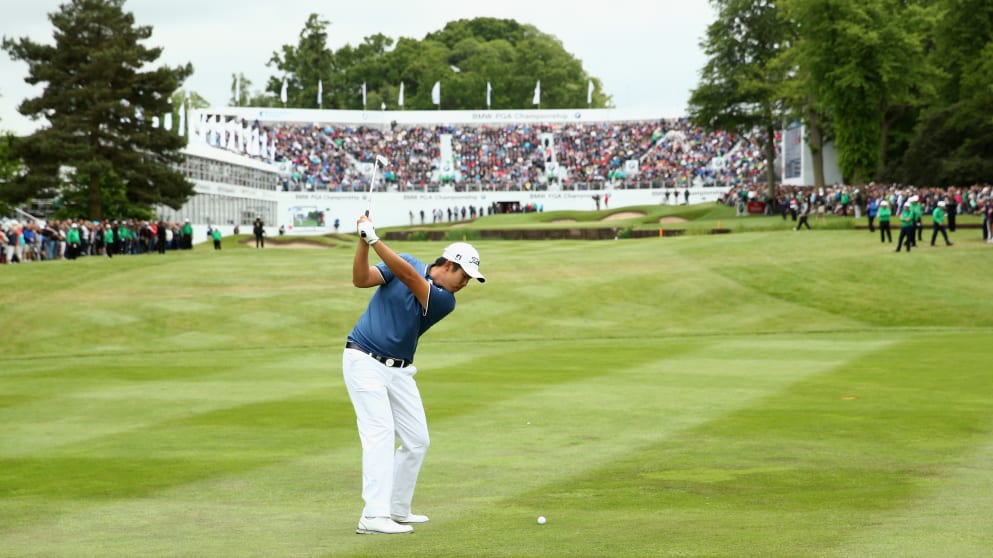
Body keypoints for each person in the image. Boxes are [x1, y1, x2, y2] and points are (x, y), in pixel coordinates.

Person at [343, 215, 486, 535]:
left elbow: (409, 278)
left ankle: (396, 509)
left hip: (400, 371)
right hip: (363, 359)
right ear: (449, 264)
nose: (465, 285)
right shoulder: (404, 260)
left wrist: (373, 239)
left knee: (417, 440)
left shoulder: (443, 301)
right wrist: (363, 243)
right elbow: (361, 279)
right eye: (464, 276)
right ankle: (373, 516)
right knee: (379, 433)